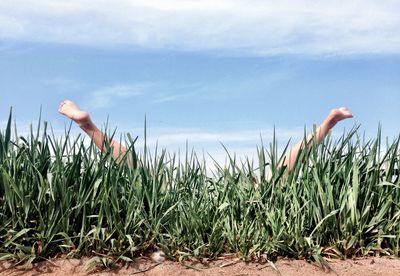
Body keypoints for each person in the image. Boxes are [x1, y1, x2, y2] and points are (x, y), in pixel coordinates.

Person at [58, 100, 353, 173]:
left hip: (184, 203)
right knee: (279, 174)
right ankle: (327, 123)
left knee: (139, 173)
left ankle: (89, 127)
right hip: (236, 199)